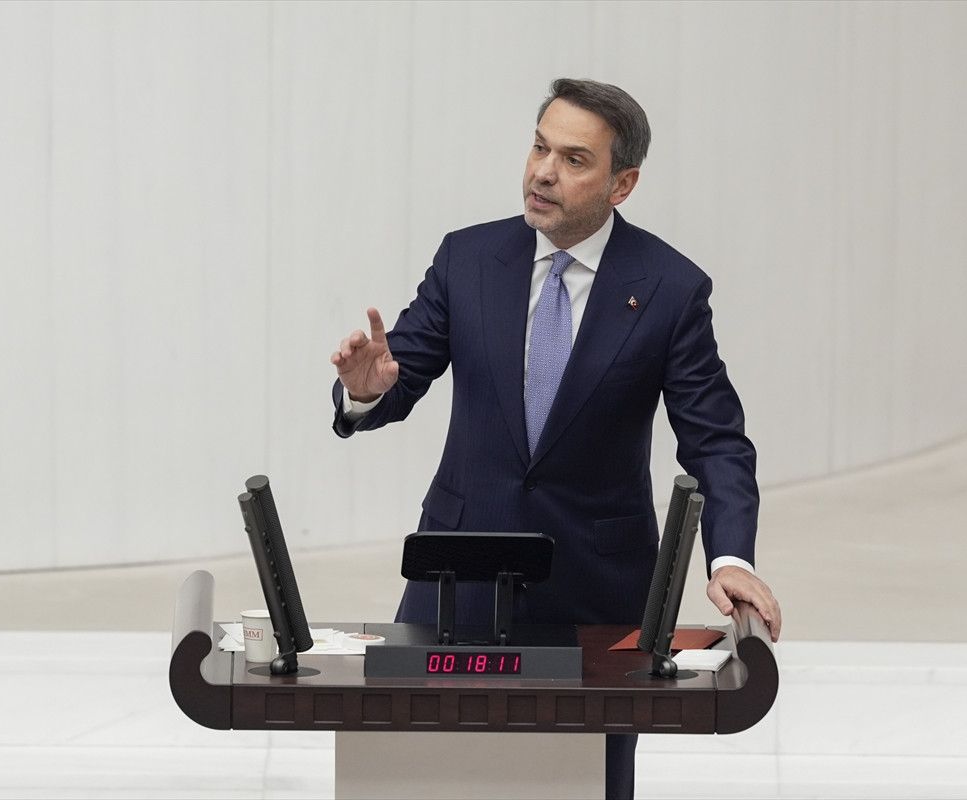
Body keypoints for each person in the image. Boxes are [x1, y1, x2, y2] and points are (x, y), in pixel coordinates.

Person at [329, 78, 781, 800]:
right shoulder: (468, 260)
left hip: (596, 595)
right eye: (540, 147)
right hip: (457, 583)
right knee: (430, 778)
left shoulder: (669, 289)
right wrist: (367, 391)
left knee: (585, 782)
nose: (543, 171)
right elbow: (395, 375)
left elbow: (716, 439)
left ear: (622, 184)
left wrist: (730, 557)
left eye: (574, 159)